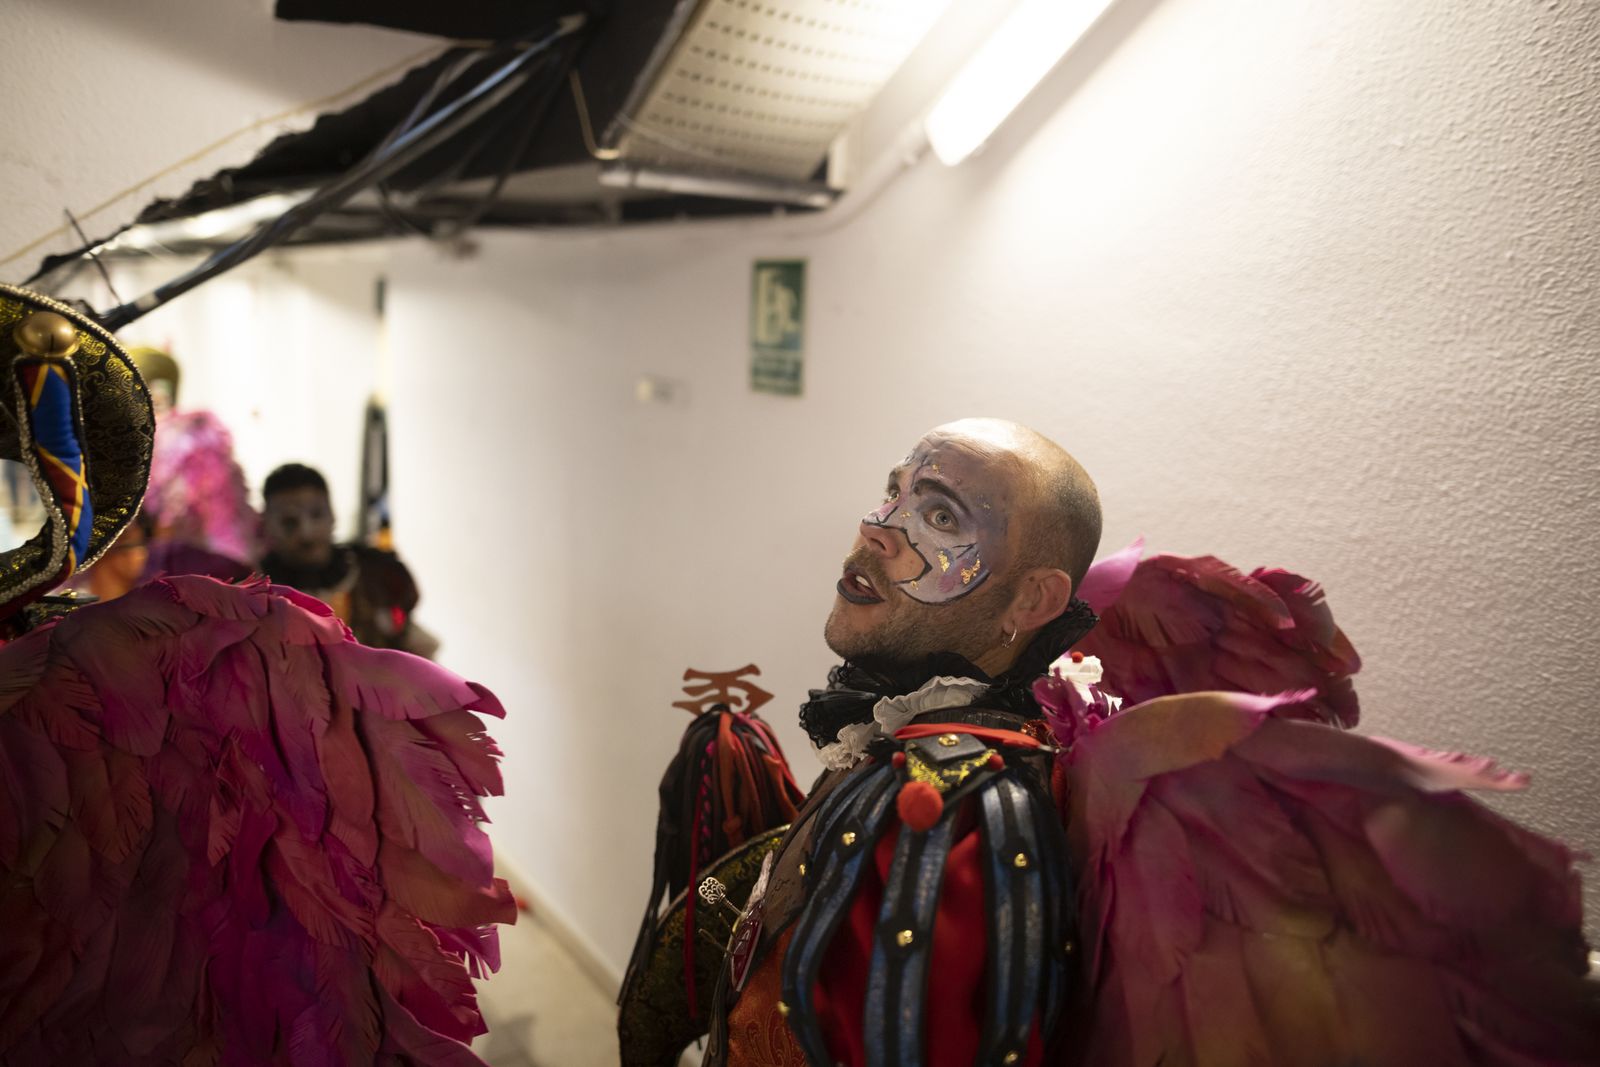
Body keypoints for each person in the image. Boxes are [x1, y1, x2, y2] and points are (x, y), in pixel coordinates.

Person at [623, 417, 1595, 1066]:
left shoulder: (954, 802)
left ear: (1036, 600)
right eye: (893, 494)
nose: (879, 529)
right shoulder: (915, 747)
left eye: (937, 514)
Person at [258, 462, 438, 657]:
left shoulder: (378, 576)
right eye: (288, 522)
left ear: (333, 514)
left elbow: (417, 653)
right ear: (267, 524)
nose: (306, 533)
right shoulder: (250, 594)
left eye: (316, 514)